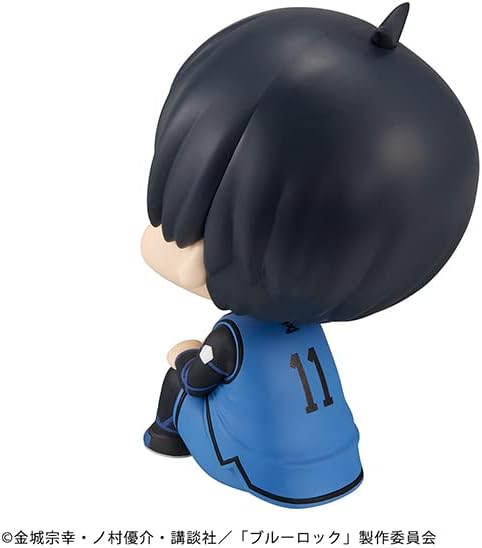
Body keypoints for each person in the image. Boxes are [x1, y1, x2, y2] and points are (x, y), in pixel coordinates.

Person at [140, 3, 478, 507]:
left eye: (201, 230)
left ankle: (166, 436)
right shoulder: (309, 327)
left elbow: (198, 376)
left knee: (177, 383)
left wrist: (183, 354)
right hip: (341, 464)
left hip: (256, 469)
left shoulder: (232, 338)